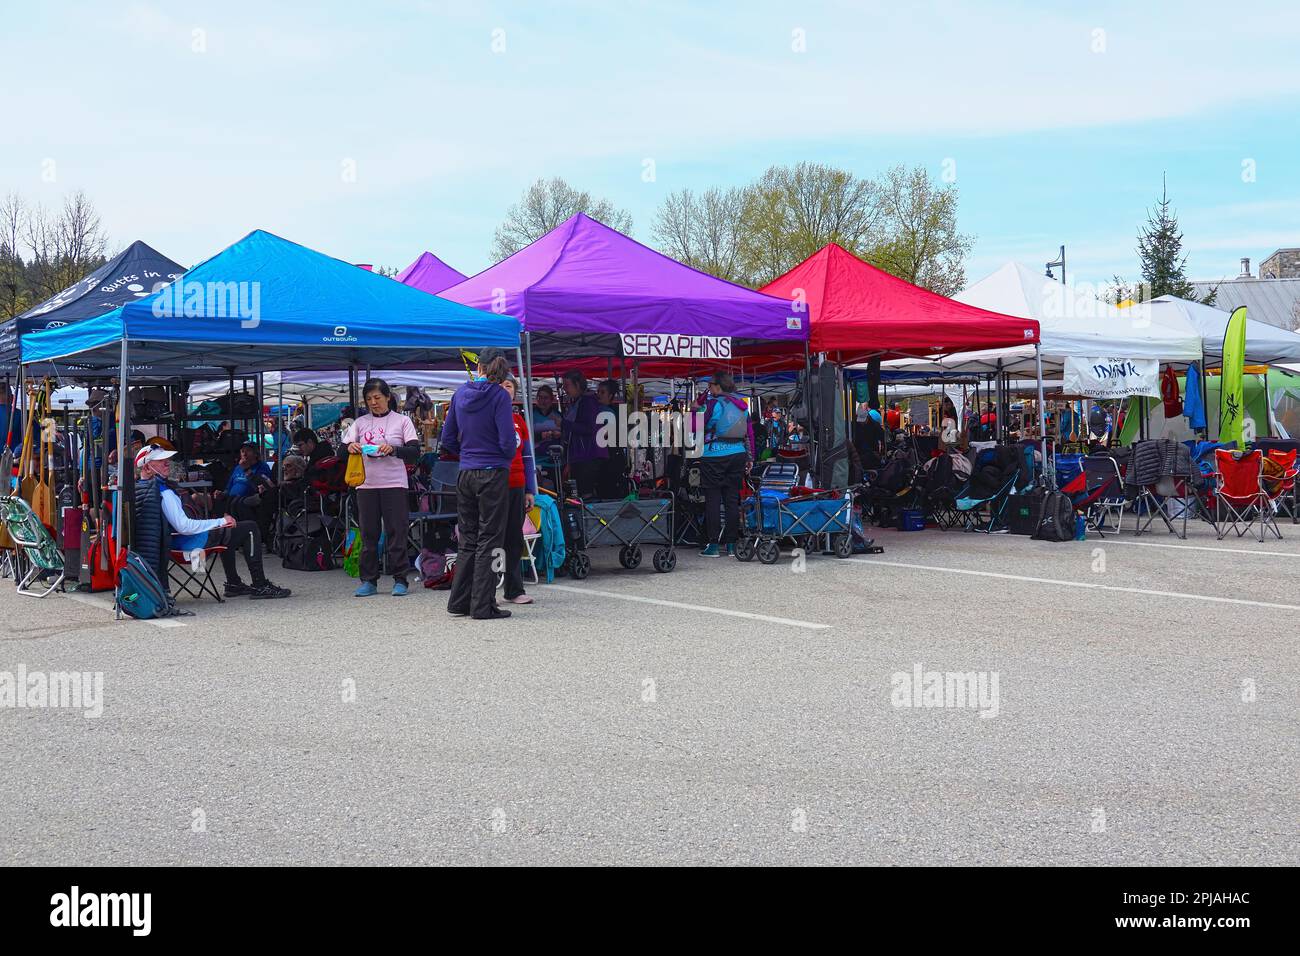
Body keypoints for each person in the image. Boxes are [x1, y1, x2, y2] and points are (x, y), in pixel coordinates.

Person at [136, 445, 290, 599]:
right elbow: (184, 526)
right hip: (188, 546)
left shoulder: (145, 488)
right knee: (249, 527)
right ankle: (259, 584)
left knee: (228, 529)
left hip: (175, 543)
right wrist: (219, 521)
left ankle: (234, 584)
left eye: (166, 459)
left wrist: (220, 522)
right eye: (160, 460)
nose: (167, 463)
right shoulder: (164, 491)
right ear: (148, 468)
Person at [441, 351, 517, 620]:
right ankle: (484, 605)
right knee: (490, 540)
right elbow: (508, 440)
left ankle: (459, 601)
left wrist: (467, 454)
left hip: (467, 472)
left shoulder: (460, 394)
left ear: (478, 366)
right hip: (492, 472)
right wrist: (502, 457)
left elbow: (447, 437)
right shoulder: (499, 396)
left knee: (468, 538)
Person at [342, 378, 421, 597]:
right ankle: (368, 580)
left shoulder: (402, 422)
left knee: (397, 531)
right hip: (366, 485)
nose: (373, 402)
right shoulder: (359, 423)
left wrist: (394, 449)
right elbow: (341, 452)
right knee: (369, 533)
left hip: (394, 483)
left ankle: (400, 579)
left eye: (377, 397)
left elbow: (415, 452)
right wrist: (351, 447)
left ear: (388, 397)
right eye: (369, 399)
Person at [698, 372, 752, 557]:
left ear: (718, 386)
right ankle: (731, 545)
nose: (709, 388)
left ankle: (713, 546)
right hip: (738, 454)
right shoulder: (743, 406)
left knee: (713, 500)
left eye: (710, 385)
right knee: (731, 501)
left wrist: (695, 409)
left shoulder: (713, 404)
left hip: (713, 454)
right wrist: (750, 458)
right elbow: (749, 434)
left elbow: (694, 426)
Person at [500, 376, 537, 605]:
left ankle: (514, 589)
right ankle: (488, 587)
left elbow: (527, 457)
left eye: (509, 385)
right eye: (501, 385)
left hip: (517, 484)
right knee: (493, 538)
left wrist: (530, 490)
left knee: (514, 537)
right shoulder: (489, 418)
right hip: (494, 485)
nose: (505, 389)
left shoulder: (518, 420)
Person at [560, 370, 606, 499]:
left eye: (567, 385)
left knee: (585, 492)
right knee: (580, 491)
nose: (565, 389)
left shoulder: (587, 402)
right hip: (580, 454)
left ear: (577, 385)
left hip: (588, 454)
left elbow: (589, 428)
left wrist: (564, 424)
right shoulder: (577, 402)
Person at [853, 402, 886, 471]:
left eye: (863, 420)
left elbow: (883, 438)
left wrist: (882, 454)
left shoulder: (875, 425)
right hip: (861, 456)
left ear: (867, 417)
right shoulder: (856, 426)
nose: (861, 423)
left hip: (873, 456)